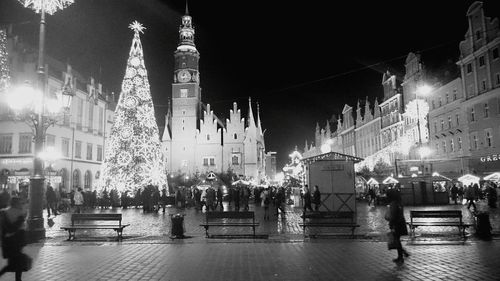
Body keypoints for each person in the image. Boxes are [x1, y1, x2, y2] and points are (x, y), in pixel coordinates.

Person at [0, 197, 30, 281]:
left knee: (14, 262)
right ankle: (18, 279)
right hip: (17, 240)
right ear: (17, 203)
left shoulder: (4, 212)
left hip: (8, 241)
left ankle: (18, 279)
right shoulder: (20, 212)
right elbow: (21, 227)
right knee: (16, 263)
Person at [386, 189, 410, 264]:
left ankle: (401, 257)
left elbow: (392, 215)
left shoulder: (393, 204)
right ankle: (403, 253)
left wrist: (391, 224)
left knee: (396, 240)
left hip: (396, 223)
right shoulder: (399, 203)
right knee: (397, 239)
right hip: (401, 222)